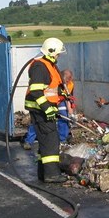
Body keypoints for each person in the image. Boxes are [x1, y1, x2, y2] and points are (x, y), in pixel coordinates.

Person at [25, 37, 68, 183]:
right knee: (50, 140)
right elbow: (36, 91)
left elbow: (50, 87)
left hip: (45, 109)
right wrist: (47, 108)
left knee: (46, 140)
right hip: (40, 110)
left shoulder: (49, 65)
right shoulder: (40, 66)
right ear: (51, 52)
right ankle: (52, 174)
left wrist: (61, 94)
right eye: (58, 53)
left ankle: (43, 172)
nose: (59, 56)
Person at [22, 69, 75, 150]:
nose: (67, 82)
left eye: (68, 80)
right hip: (47, 101)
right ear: (61, 78)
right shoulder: (53, 81)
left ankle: (62, 139)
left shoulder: (70, 84)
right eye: (65, 80)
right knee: (38, 120)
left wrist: (71, 112)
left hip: (59, 101)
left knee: (64, 117)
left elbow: (68, 99)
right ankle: (28, 141)